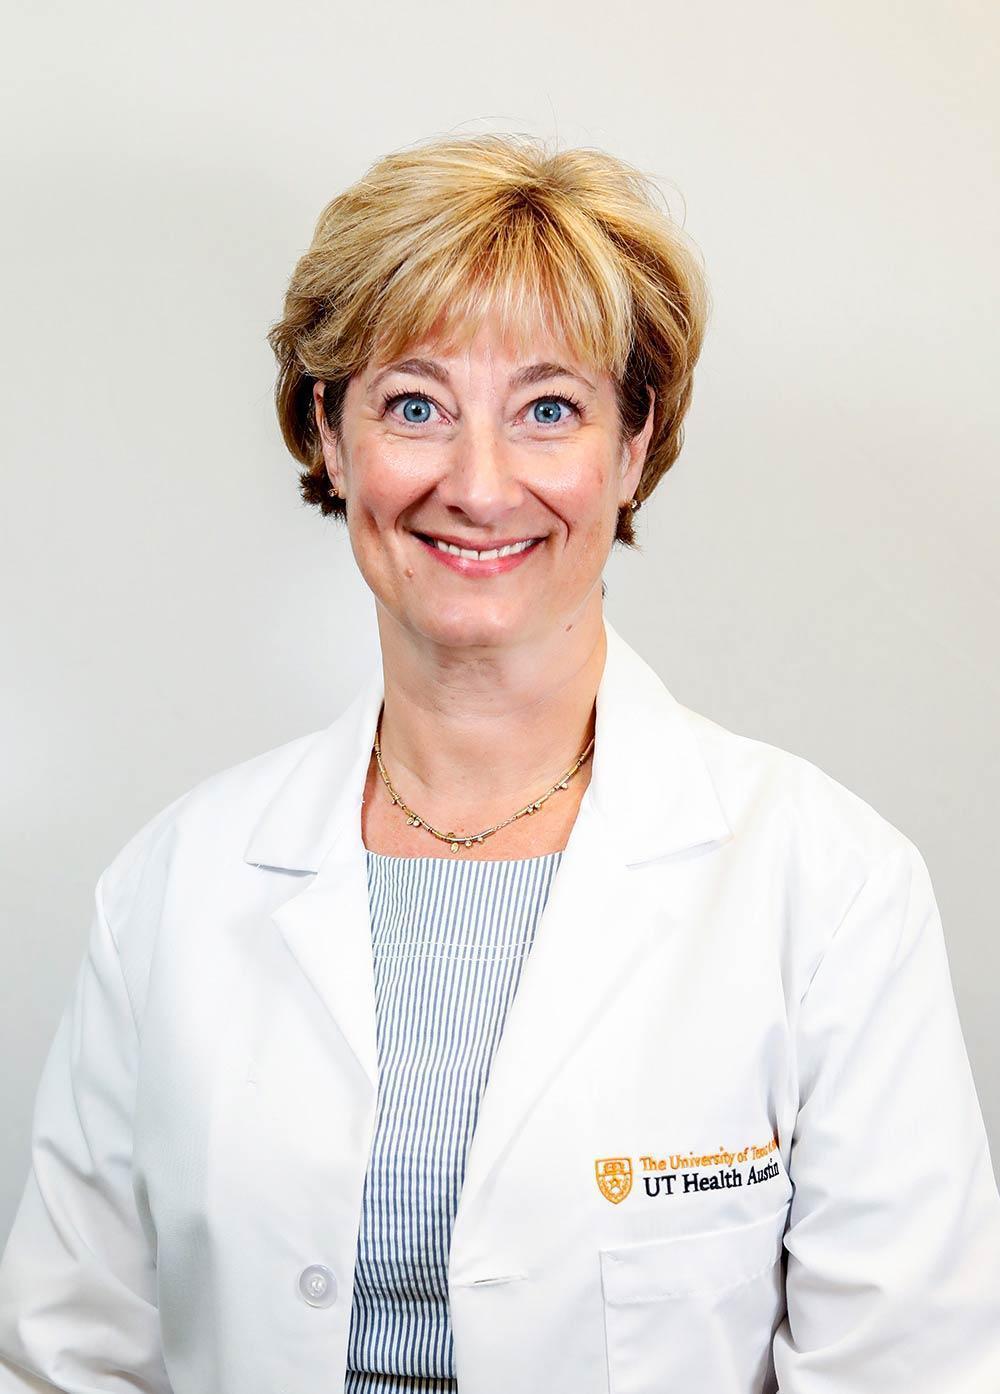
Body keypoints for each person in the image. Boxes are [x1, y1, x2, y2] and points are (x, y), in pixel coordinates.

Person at [1, 132, 998, 1394]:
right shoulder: (170, 889)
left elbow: (908, 1371)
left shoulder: (830, 888)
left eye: (547, 409)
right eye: (414, 405)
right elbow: (68, 1359)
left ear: (634, 445)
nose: (478, 484)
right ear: (330, 434)